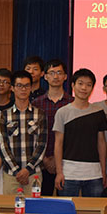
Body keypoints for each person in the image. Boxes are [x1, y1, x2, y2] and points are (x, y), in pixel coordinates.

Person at [53, 68, 107, 197]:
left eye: (88, 85)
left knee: (93, 210)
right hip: (69, 174)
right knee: (67, 209)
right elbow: (58, 144)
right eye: (80, 83)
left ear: (92, 88)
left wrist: (103, 171)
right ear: (73, 85)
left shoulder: (98, 112)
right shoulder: (62, 112)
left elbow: (101, 143)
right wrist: (59, 172)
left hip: (94, 174)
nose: (84, 88)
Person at [0, 70, 48, 194]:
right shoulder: (5, 114)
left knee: (34, 206)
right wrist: (17, 171)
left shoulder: (40, 114)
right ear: (12, 88)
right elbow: (3, 145)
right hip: (11, 175)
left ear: (31, 88)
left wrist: (27, 170)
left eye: (26, 86)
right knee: (9, 206)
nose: (23, 89)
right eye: (19, 85)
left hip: (33, 174)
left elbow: (42, 145)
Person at [32, 59, 74, 195]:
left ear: (65, 76)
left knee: (65, 203)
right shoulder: (36, 104)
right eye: (51, 73)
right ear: (45, 76)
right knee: (42, 202)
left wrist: (58, 159)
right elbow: (34, 134)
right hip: (41, 163)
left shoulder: (72, 103)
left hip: (66, 162)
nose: (55, 76)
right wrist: (44, 158)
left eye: (59, 73)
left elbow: (74, 136)